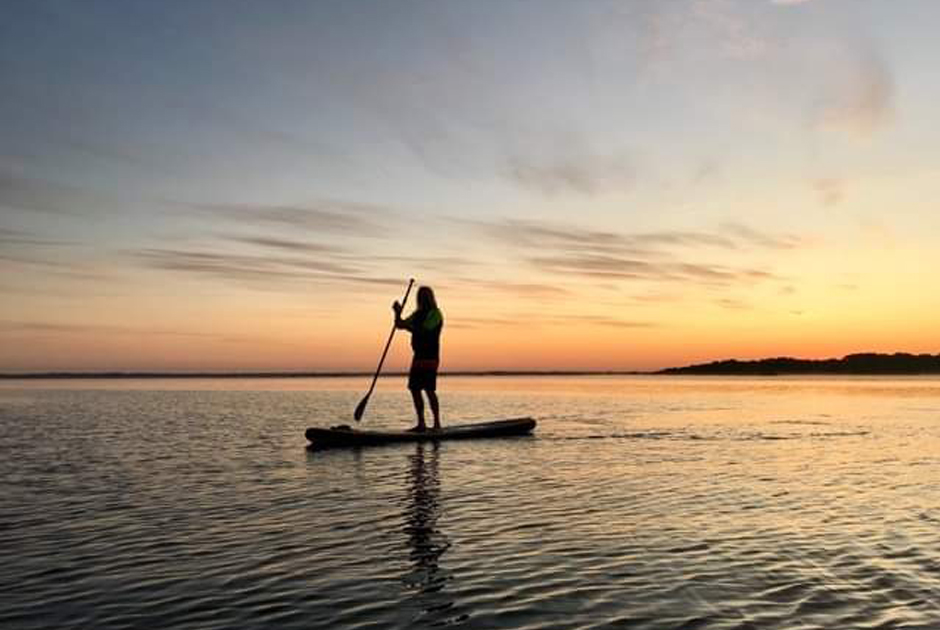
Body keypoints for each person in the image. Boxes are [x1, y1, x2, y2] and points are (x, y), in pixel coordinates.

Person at [393, 286, 444, 432]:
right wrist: (397, 313)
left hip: (430, 356)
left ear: (430, 297)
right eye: (420, 296)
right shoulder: (417, 314)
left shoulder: (435, 314)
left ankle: (437, 424)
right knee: (414, 388)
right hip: (418, 356)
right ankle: (421, 423)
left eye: (425, 296)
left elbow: (425, 330)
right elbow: (399, 325)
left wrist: (409, 327)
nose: (423, 299)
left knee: (429, 389)